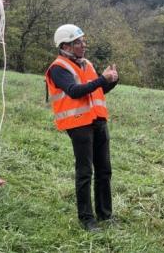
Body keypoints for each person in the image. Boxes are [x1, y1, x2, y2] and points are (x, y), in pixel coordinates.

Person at [45, 24, 119, 232]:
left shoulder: (86, 64)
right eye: (78, 42)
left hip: (98, 121)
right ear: (65, 46)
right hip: (78, 124)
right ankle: (86, 219)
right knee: (85, 172)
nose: (83, 45)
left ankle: (106, 215)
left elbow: (96, 90)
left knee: (104, 170)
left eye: (83, 41)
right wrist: (101, 80)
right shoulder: (58, 68)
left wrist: (111, 80)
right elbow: (75, 91)